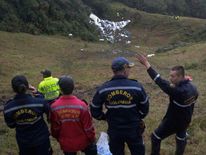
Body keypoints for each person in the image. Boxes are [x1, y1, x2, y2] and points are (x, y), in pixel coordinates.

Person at [136, 54, 198, 155]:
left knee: (155, 137)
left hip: (172, 122)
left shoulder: (177, 91)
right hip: (186, 121)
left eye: (172, 76)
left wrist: (146, 64)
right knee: (181, 138)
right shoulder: (193, 88)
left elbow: (159, 80)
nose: (170, 78)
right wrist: (179, 83)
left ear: (180, 76)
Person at [90, 57, 149, 155]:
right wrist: (138, 117)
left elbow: (94, 109)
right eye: (129, 68)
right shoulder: (137, 87)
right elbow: (145, 107)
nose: (129, 70)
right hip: (134, 129)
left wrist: (105, 117)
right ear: (125, 69)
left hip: (114, 129)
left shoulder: (104, 88)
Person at [3, 75, 52, 155]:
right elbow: (48, 112)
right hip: (42, 140)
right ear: (27, 87)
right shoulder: (39, 102)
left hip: (23, 142)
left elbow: (11, 125)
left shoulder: (8, 107)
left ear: (13, 89)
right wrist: (37, 93)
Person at [50, 75, 97, 155]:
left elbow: (55, 128)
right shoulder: (82, 105)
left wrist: (58, 138)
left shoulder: (54, 107)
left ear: (60, 89)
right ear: (73, 88)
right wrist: (92, 139)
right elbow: (88, 127)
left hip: (66, 143)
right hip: (83, 141)